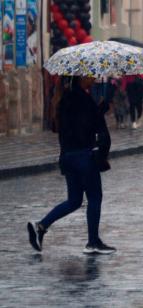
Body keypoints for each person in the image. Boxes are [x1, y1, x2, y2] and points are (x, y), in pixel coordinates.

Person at [27, 76, 116, 255]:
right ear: (81, 78)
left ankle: (41, 226)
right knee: (95, 197)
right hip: (84, 156)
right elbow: (88, 127)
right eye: (90, 74)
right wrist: (100, 110)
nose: (93, 77)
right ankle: (93, 242)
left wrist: (98, 109)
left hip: (67, 157)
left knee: (74, 200)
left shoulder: (64, 98)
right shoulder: (82, 99)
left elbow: (73, 125)